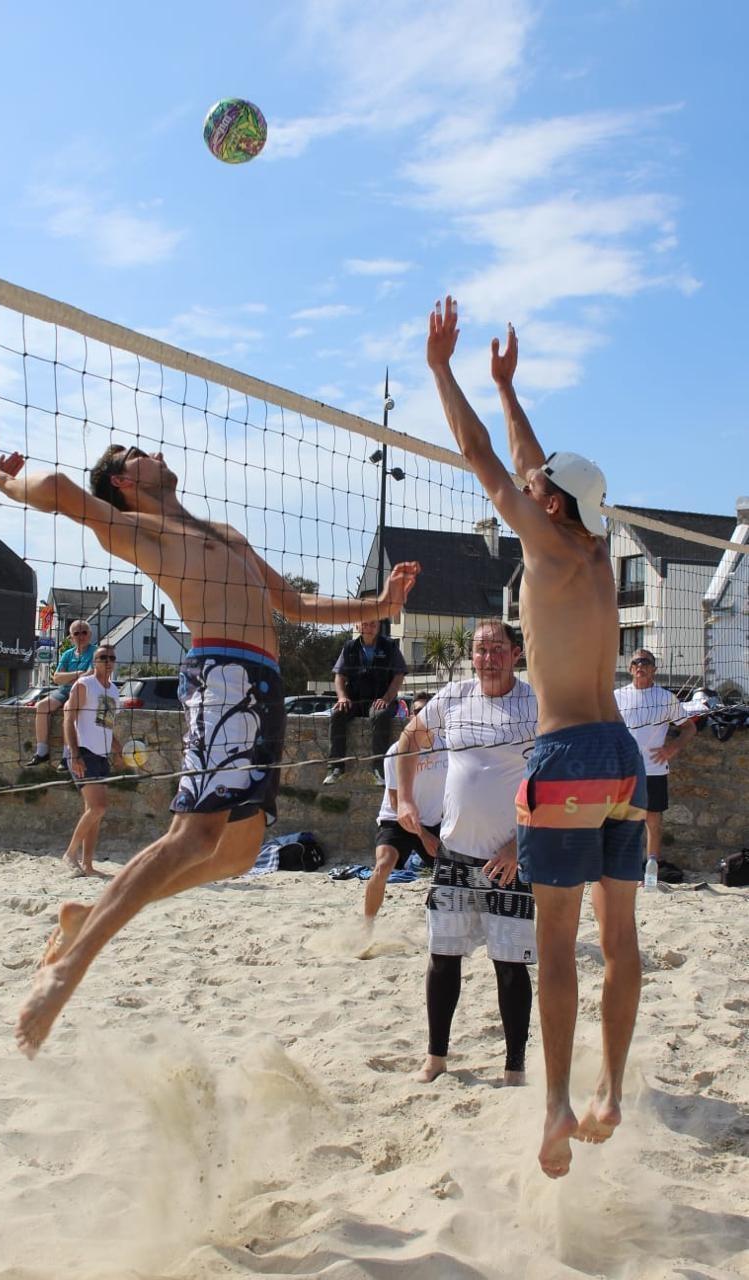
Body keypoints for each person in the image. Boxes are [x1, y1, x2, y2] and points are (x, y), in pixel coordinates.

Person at [0, 445, 420, 1055]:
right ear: (123, 481)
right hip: (222, 677)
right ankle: (69, 968)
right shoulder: (143, 529)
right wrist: (11, 482)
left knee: (238, 854)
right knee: (192, 839)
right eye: (140, 454)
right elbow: (60, 490)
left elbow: (293, 604)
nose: (158, 453)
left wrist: (378, 607)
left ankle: (89, 916)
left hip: (265, 684)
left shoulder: (222, 532)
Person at [427, 298, 646, 1179]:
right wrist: (508, 388)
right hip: (621, 762)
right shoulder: (590, 551)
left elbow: (486, 461)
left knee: (555, 944)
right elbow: (525, 459)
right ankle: (610, 1094)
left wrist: (443, 371)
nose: (532, 482)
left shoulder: (545, 549)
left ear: (553, 501)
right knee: (619, 940)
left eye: (542, 483)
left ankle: (555, 1104)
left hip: (560, 762)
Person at [397, 619, 539, 1087]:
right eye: (480, 650)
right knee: (443, 958)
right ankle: (436, 1058)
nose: (488, 657)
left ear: (516, 653)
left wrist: (521, 843)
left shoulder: (535, 702)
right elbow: (407, 742)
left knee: (510, 966)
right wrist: (405, 798)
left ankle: (514, 1068)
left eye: (497, 648)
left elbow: (555, 781)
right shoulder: (454, 696)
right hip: (455, 855)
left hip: (509, 860)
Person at [364, 691, 446, 921]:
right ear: (410, 716)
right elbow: (396, 802)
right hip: (397, 820)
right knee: (382, 867)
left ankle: (445, 925)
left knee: (455, 875)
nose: (423, 716)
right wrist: (424, 836)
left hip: (433, 822)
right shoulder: (396, 751)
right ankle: (366, 928)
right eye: (418, 712)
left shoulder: (448, 747)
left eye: (428, 711)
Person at [614, 649, 696, 870]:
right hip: (623, 770)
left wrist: (672, 747)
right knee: (622, 820)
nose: (640, 665)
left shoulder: (665, 698)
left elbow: (689, 728)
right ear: (630, 668)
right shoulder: (617, 696)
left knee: (652, 820)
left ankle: (651, 867)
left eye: (645, 662)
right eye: (636, 662)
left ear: (654, 669)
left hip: (654, 768)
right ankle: (623, 867)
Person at [62, 643, 123, 876]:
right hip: (82, 751)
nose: (107, 661)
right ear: (94, 661)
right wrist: (74, 753)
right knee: (99, 807)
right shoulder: (84, 685)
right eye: (102, 657)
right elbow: (68, 720)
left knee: (94, 812)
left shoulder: (114, 691)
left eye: (111, 657)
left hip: (101, 754)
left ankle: (87, 865)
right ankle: (70, 853)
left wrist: (119, 749)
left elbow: (106, 725)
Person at [324, 618, 408, 786]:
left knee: (380, 715)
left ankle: (378, 768)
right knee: (337, 713)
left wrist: (386, 698)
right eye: (365, 623)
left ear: (379, 626)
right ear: (357, 625)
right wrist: (342, 697)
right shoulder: (349, 647)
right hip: (356, 700)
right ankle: (336, 767)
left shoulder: (390, 646)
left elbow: (399, 674)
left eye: (373, 624)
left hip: (381, 699)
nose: (369, 627)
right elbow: (339, 676)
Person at [26, 621, 97, 770]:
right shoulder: (67, 654)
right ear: (71, 637)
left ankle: (67, 756)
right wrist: (77, 674)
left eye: (84, 632)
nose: (80, 636)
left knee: (68, 708)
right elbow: (56, 678)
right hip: (65, 690)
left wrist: (69, 676)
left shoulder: (95, 652)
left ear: (90, 635)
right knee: (42, 706)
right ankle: (42, 751)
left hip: (83, 691)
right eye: (76, 633)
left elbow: (90, 674)